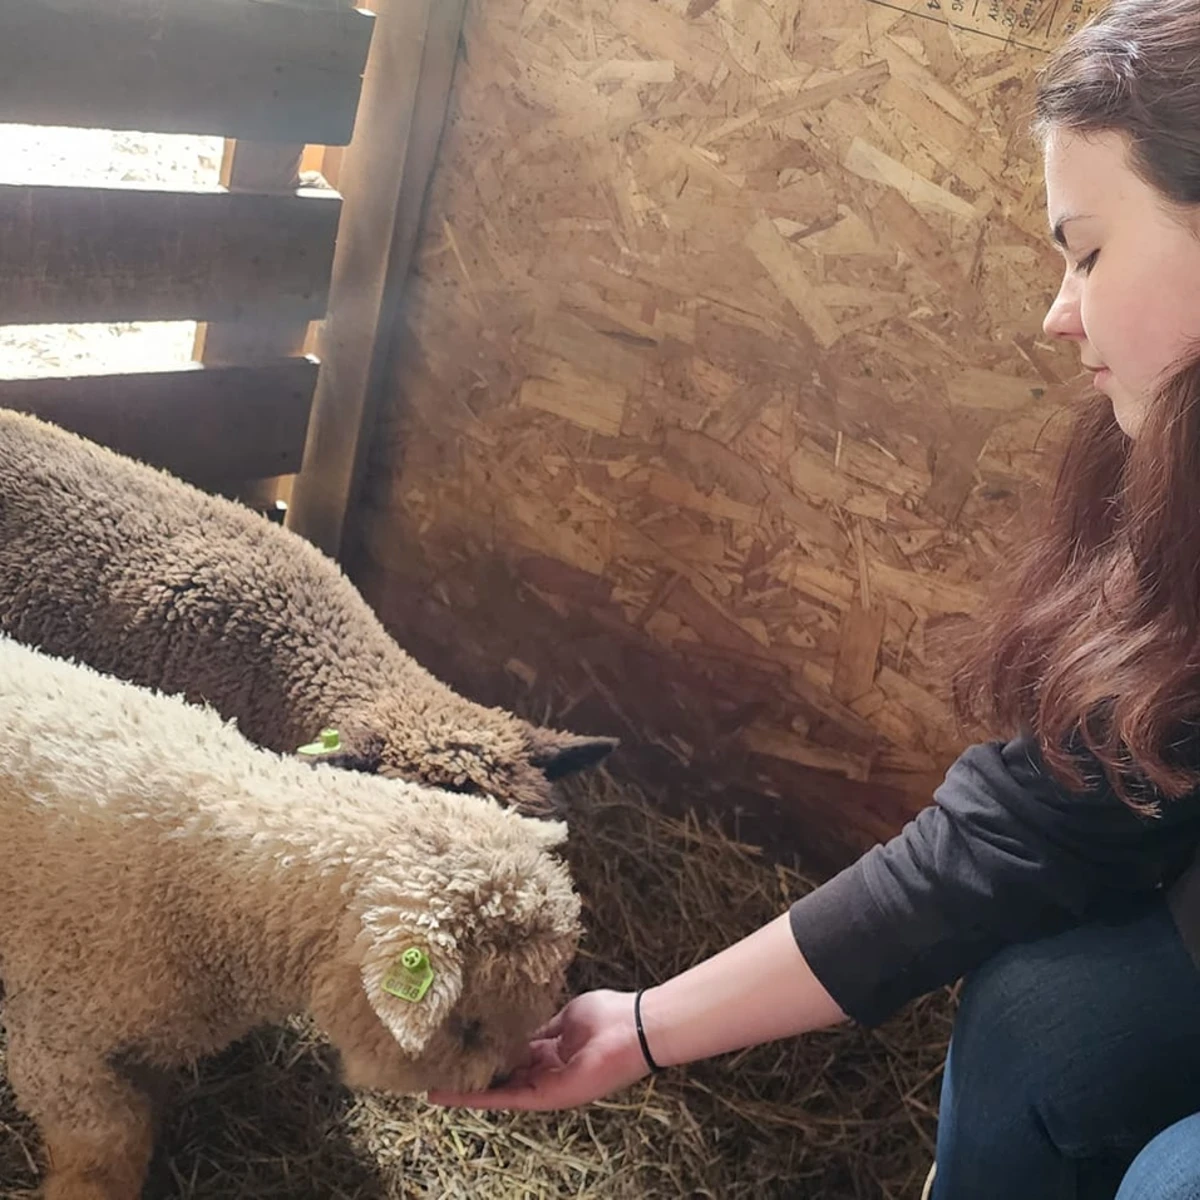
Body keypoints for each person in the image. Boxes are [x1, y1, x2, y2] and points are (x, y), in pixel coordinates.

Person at [430, 3, 1200, 1195]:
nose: (1058, 311)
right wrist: (641, 1029)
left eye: (1089, 252)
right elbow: (1026, 827)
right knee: (1038, 1026)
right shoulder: (1170, 492)